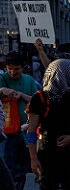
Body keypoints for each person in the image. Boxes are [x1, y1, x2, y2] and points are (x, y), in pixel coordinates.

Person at [26, 59, 70, 189]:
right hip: (48, 152)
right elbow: (31, 131)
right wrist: (33, 158)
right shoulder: (40, 98)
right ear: (63, 74)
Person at [0, 51, 39, 190]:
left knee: (23, 166)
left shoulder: (29, 80)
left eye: (16, 69)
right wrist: (2, 90)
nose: (12, 72)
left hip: (25, 129)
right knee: (10, 165)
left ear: (23, 67)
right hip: (7, 130)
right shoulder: (2, 78)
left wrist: (21, 95)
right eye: (9, 69)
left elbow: (36, 100)